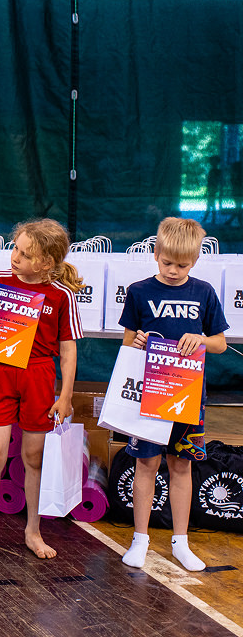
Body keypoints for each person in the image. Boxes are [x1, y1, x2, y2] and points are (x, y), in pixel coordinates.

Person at [0, 218, 82, 560]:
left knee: (33, 458)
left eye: (26, 254)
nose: (15, 257)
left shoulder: (61, 295)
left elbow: (68, 350)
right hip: (1, 372)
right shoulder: (1, 280)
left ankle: (33, 530)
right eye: (15, 248)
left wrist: (65, 396)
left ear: (46, 262)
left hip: (39, 375)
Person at [119, 217, 227, 572]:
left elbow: (220, 343)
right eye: (167, 263)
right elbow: (127, 344)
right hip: (148, 395)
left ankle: (181, 542)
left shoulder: (204, 292)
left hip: (188, 395)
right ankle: (140, 539)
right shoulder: (139, 291)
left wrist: (201, 339)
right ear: (155, 253)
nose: (174, 271)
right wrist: (137, 342)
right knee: (146, 464)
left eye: (183, 265)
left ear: (194, 260)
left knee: (181, 466)